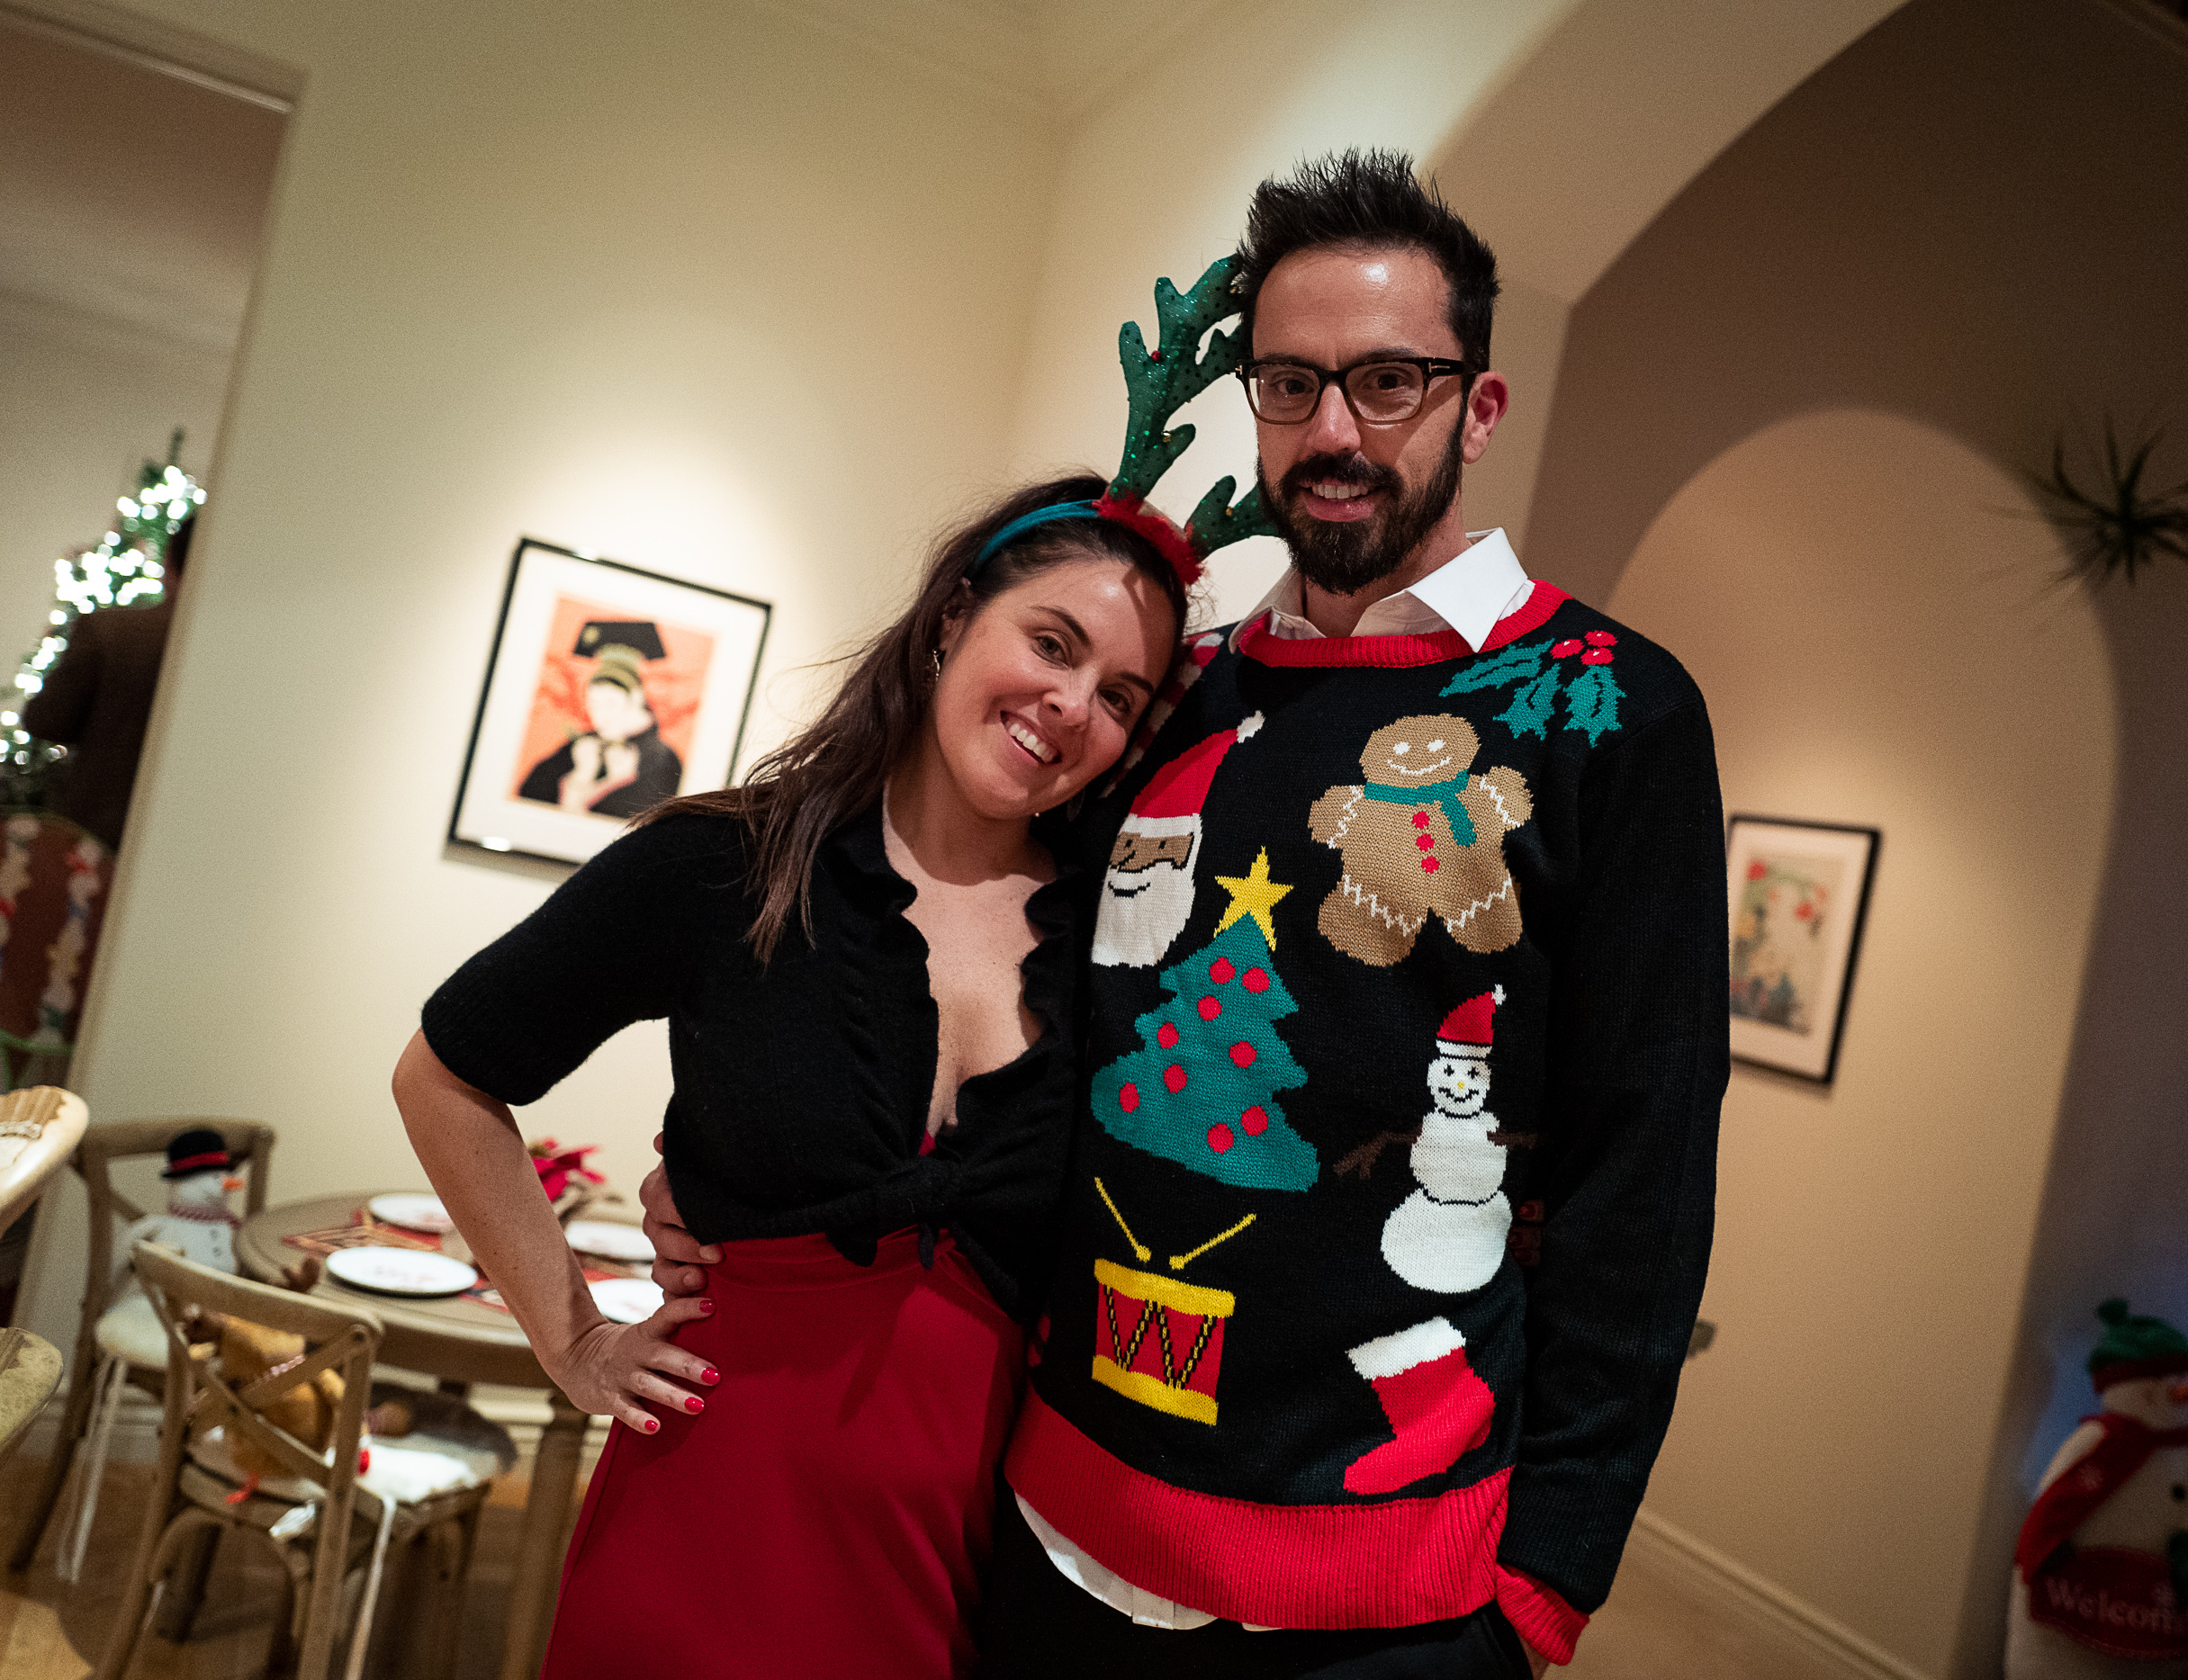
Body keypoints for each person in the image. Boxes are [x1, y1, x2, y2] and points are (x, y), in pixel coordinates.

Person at [648, 150, 1729, 1679]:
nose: (1335, 430)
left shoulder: (1608, 710)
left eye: (1389, 382)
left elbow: (1648, 1155)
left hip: (1390, 1593)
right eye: (1291, 385)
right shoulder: (1177, 695)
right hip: (1056, 1521)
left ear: (1479, 409)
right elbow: (983, 942)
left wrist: (1549, 1575)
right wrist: (754, 1153)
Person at [392, 472, 1184, 1679]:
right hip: (693, 1539)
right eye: (1052, 642)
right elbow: (445, 1076)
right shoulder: (726, 865)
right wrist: (574, 1338)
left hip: (954, 1576)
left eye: (1119, 694)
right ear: (953, 617)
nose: (1072, 704)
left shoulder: (1119, 949)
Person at [22, 515, 190, 849]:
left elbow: (45, 720)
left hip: (99, 834)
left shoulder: (110, 631)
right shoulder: (247, 650)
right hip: (190, 838)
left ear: (168, 563)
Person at [514, 618, 687, 817]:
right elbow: (528, 798)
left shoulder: (664, 761)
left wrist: (613, 782)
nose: (600, 716)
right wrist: (581, 775)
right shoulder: (580, 747)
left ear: (636, 697)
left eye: (611, 703)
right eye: (594, 704)